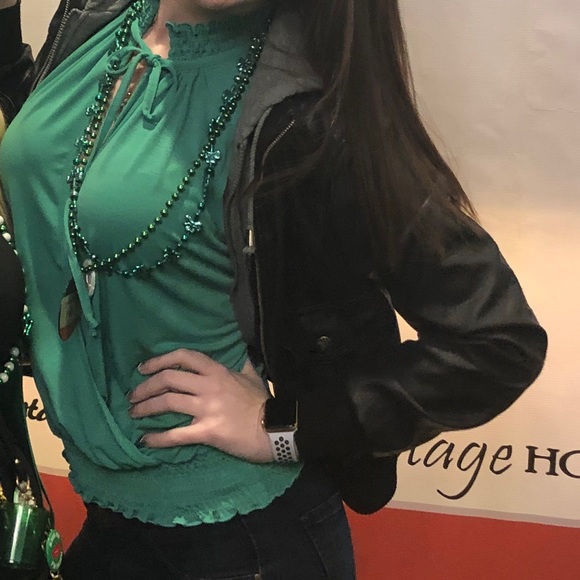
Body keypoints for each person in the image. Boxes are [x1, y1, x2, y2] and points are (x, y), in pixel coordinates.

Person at [0, 0, 547, 578]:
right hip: (107, 514)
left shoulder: (308, 110)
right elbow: (56, 166)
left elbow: (497, 342)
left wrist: (283, 427)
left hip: (240, 541)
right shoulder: (97, 16)